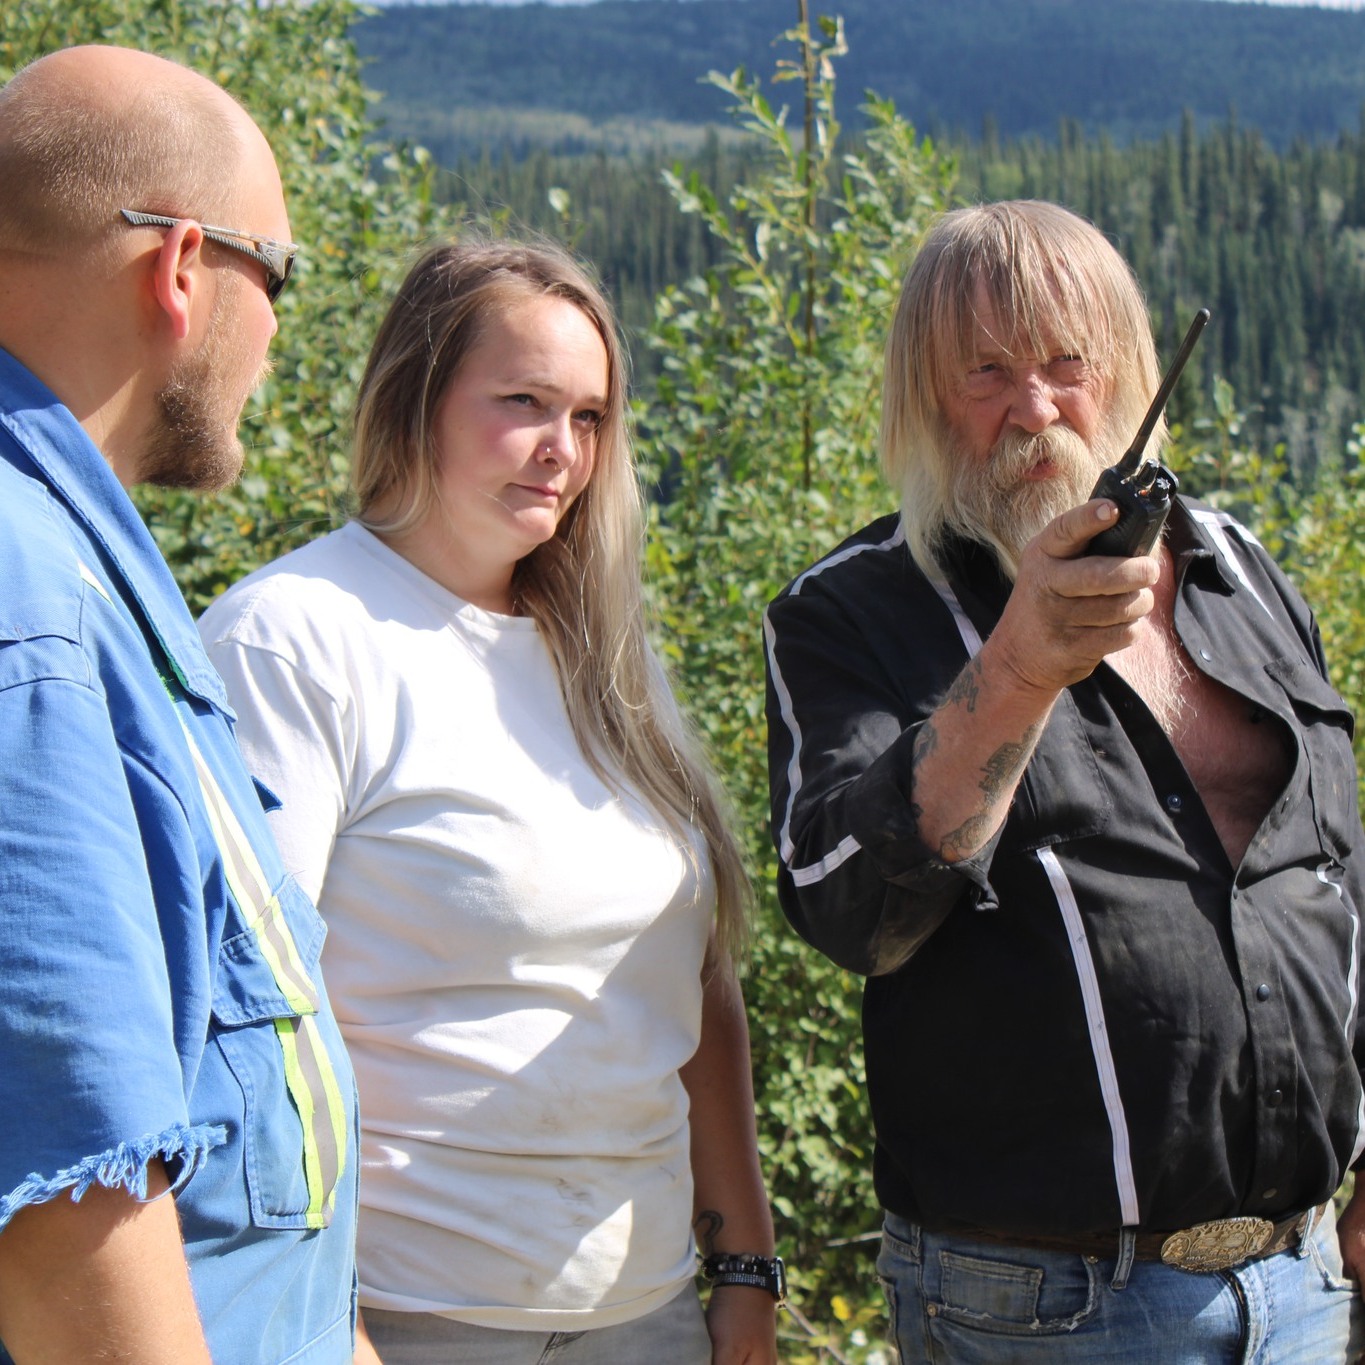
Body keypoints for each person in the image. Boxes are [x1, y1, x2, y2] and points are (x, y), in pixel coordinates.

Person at [763, 199, 1365, 1362]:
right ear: (924, 396)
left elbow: (1334, 873)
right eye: (985, 372)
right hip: (1046, 1308)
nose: (1033, 409)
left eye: (1065, 364)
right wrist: (1020, 668)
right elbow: (853, 916)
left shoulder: (1241, 571)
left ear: (1129, 370)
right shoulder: (850, 612)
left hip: (1307, 1279)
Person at [198, 237, 780, 1364]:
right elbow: (245, 1028)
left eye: (590, 417)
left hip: (648, 1310)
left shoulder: (603, 657)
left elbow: (690, 982)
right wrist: (329, 1326)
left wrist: (746, 1267)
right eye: (523, 402)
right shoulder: (294, 641)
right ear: (415, 397)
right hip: (407, 1316)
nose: (563, 449)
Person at [0, 44, 359, 1365]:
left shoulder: (67, 558)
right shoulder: (31, 607)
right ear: (184, 268)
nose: (276, 334)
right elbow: (70, 1232)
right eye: (281, 276)